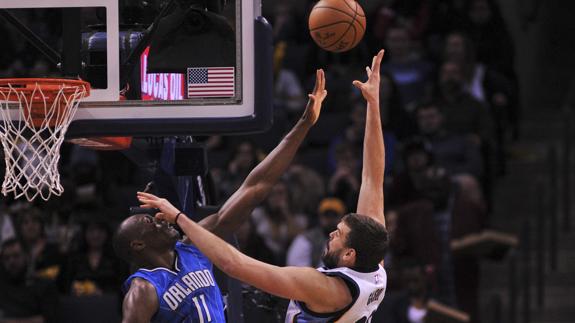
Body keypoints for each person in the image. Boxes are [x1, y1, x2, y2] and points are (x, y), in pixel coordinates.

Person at [137, 50, 389, 322]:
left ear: (350, 254)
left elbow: (234, 264)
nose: (330, 233)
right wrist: (373, 104)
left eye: (338, 233)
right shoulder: (374, 267)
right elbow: (372, 179)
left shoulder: (324, 288)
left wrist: (177, 216)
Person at [114, 69, 329, 323]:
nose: (160, 219)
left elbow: (255, 189)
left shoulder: (194, 247)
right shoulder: (143, 289)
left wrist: (303, 125)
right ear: (138, 244)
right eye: (151, 223)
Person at [0, 239, 59, 323]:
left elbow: (50, 319)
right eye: (6, 258)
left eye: (16, 256)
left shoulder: (44, 285)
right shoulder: (2, 286)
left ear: (27, 257)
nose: (11, 261)